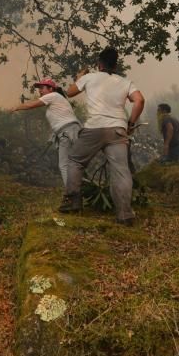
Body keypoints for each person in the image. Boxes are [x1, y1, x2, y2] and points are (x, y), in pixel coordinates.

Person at [58, 47, 145, 225]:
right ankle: (125, 215)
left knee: (75, 161)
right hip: (118, 130)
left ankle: (72, 202)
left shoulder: (89, 78)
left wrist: (80, 77)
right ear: (115, 65)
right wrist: (131, 123)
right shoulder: (125, 82)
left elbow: (70, 92)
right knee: (121, 171)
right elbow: (139, 100)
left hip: (95, 128)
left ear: (99, 64)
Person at [12, 78, 81, 187]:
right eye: (39, 88)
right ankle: (80, 188)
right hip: (72, 130)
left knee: (64, 165)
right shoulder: (58, 99)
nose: (40, 90)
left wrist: (16, 107)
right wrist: (53, 137)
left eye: (42, 88)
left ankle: (71, 192)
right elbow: (62, 120)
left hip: (67, 132)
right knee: (75, 163)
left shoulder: (52, 96)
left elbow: (30, 105)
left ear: (51, 89)